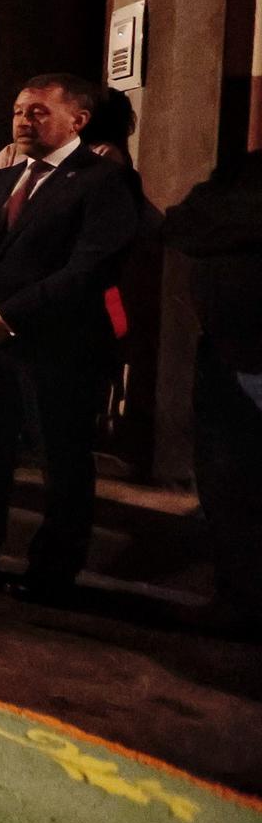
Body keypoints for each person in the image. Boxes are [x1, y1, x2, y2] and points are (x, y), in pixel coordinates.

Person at [0, 73, 138, 599]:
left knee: (61, 461)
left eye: (38, 112)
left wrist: (8, 313)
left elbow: (89, 267)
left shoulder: (102, 182)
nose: (24, 121)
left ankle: (52, 572)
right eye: (18, 111)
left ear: (78, 121)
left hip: (57, 348)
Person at [164, 147, 262, 637]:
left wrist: (228, 222)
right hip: (224, 355)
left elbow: (203, 223)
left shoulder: (230, 191)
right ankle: (238, 600)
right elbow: (181, 224)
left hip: (251, 354)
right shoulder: (244, 171)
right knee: (226, 487)